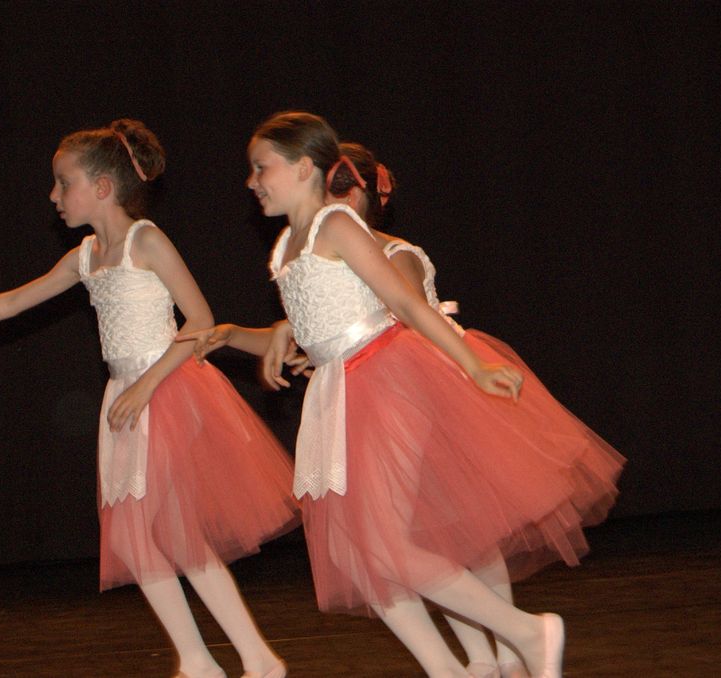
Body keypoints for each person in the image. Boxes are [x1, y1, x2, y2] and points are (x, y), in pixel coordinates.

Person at [179, 112, 624, 678]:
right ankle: (448, 668)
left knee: (385, 543)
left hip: (383, 380)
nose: (252, 181)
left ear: (304, 167)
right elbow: (313, 326)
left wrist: (473, 363)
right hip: (338, 389)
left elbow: (408, 304)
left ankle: (527, 636)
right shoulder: (287, 244)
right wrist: (241, 337)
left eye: (261, 168)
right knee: (363, 550)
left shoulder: (336, 225)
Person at [0, 119, 296, 678]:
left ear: (102, 187)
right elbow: (12, 302)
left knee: (176, 534)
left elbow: (200, 321)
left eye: (62, 182)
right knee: (137, 540)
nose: (54, 195)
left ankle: (258, 658)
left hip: (167, 390)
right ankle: (196, 660)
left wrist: (147, 385)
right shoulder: (87, 255)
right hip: (125, 397)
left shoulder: (146, 240)